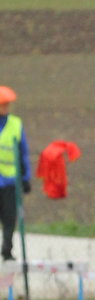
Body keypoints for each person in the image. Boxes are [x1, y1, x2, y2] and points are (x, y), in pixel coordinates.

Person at [0, 86, 28, 262]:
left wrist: (25, 178)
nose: (6, 107)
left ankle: (7, 251)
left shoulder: (16, 124)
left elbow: (23, 152)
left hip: (10, 181)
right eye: (3, 104)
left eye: (7, 104)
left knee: (10, 218)